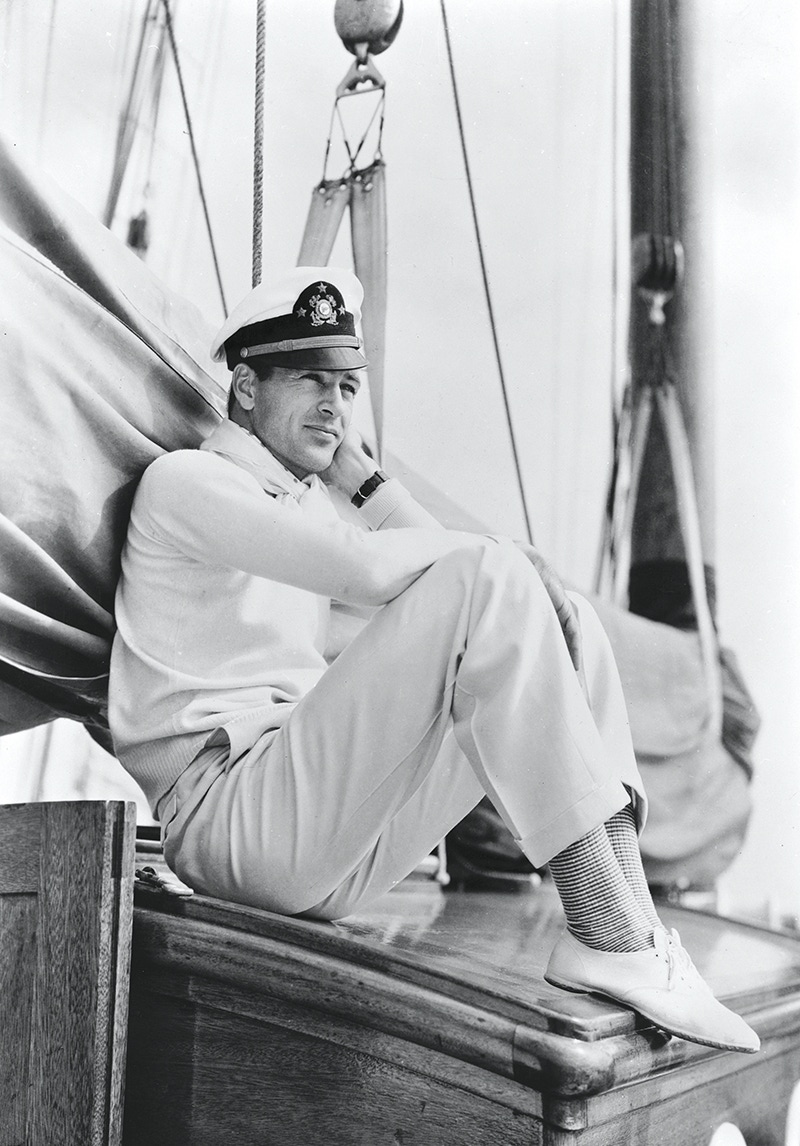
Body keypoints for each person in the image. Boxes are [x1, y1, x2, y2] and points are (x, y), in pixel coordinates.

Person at [109, 266, 758, 1054]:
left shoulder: (301, 500)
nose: (335, 406)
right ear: (246, 386)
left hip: (324, 851)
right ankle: (610, 931)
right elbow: (376, 572)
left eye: (348, 387)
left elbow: (438, 567)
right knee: (494, 578)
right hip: (232, 823)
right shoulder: (188, 485)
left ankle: (634, 931)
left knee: (571, 623)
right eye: (313, 379)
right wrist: (507, 557)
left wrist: (364, 478)